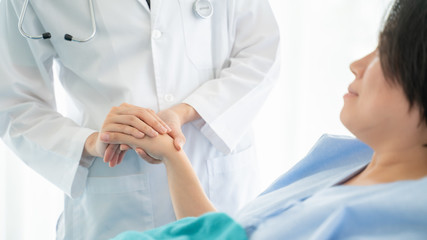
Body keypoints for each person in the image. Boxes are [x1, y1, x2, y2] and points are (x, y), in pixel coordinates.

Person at [103, 0, 427, 238]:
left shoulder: (405, 217)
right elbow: (230, 234)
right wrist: (173, 154)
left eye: (385, 52)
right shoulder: (349, 159)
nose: (357, 64)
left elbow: (260, 55)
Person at [0, 0, 280, 239]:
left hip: (216, 175)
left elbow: (260, 50)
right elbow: (15, 103)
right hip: (113, 192)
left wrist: (187, 111)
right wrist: (91, 142)